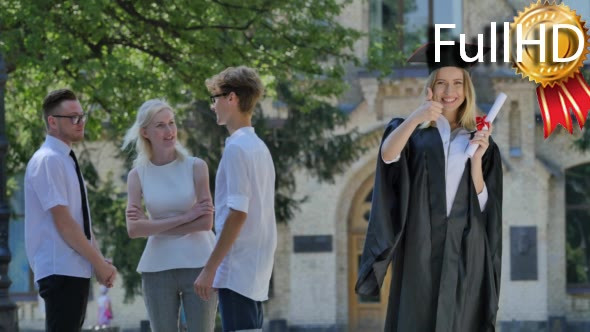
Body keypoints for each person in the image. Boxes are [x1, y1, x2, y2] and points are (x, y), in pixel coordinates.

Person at [355, 42, 503, 332]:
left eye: (457, 83)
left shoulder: (479, 141)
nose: (450, 92)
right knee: (417, 318)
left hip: (465, 247)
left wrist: (476, 162)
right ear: (431, 88)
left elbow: (486, 207)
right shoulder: (415, 134)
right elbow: (387, 155)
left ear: (467, 88)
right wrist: (418, 116)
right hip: (420, 246)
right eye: (442, 83)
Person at [24, 89, 117, 332]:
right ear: (52, 122)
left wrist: (98, 262)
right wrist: (99, 263)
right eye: (73, 117)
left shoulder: (64, 158)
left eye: (82, 116)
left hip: (72, 269)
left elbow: (80, 221)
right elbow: (64, 224)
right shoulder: (49, 159)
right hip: (59, 269)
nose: (81, 122)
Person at [122, 99, 217, 332]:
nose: (169, 131)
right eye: (161, 125)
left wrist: (153, 226)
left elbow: (206, 222)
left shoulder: (196, 167)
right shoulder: (137, 176)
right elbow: (134, 230)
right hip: (157, 269)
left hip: (200, 266)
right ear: (145, 132)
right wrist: (186, 217)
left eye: (171, 123)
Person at [194, 66, 277, 332]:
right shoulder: (259, 147)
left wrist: (210, 269)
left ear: (231, 98)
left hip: (238, 269)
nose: (213, 106)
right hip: (256, 269)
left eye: (215, 98)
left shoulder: (237, 148)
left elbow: (238, 214)